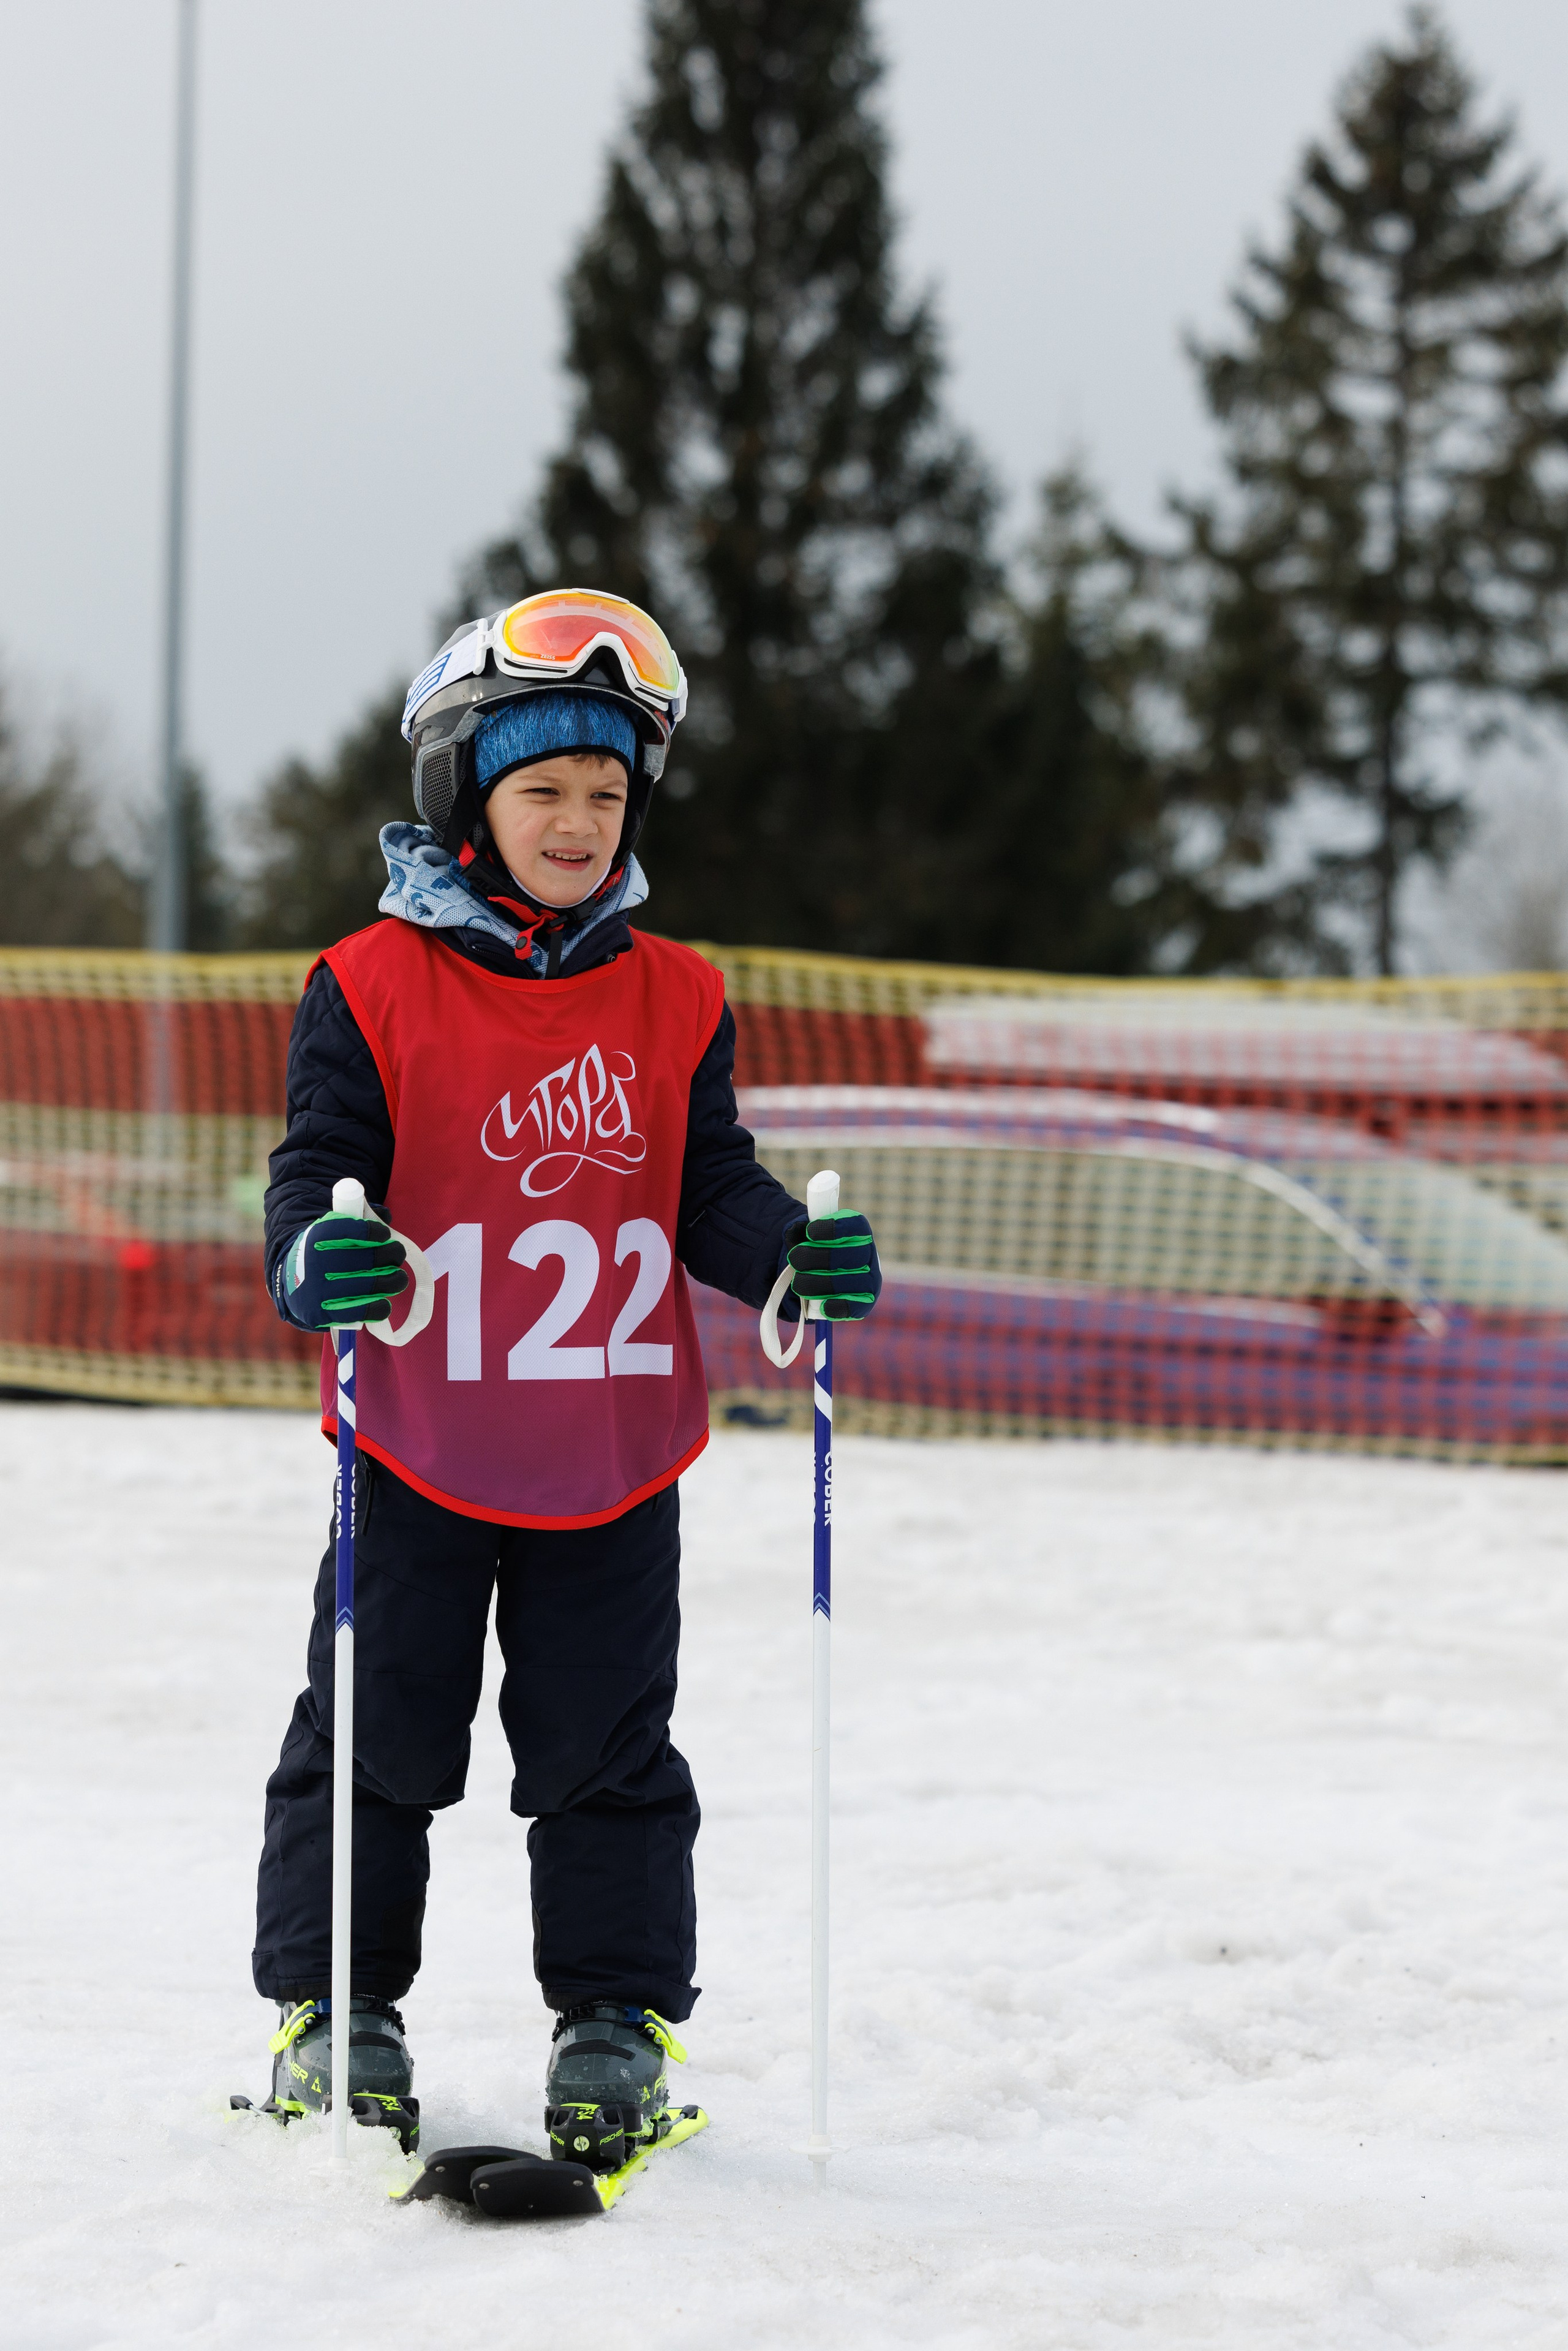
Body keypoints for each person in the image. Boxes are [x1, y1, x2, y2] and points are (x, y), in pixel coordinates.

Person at [252, 589, 881, 2163]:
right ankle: (337, 2011)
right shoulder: (369, 982)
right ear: (468, 797)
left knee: (606, 1749)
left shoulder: (676, 992)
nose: (578, 821)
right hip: (419, 1439)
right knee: (375, 1734)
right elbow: (318, 1168)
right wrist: (317, 1253)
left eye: (606, 791)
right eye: (542, 788)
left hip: (606, 1446)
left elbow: (703, 1181)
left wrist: (786, 1252)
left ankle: (613, 2021)